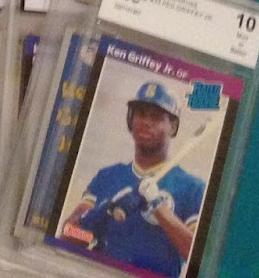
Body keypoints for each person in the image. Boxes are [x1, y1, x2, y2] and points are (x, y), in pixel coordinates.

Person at [61, 81, 203, 278]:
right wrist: (103, 211)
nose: (146, 122)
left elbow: (197, 258)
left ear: (173, 126)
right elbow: (67, 236)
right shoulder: (107, 177)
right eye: (140, 114)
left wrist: (159, 208)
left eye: (156, 117)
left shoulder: (192, 188)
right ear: (130, 120)